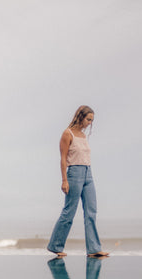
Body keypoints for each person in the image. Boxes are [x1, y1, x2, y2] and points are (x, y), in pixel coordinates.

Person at [47, 105, 109, 257]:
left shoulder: (83, 135)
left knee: (91, 211)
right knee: (69, 211)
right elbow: (62, 159)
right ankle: (55, 245)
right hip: (74, 173)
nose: (90, 123)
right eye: (88, 119)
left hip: (88, 173)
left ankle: (94, 249)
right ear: (80, 116)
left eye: (92, 120)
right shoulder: (67, 134)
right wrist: (64, 180)